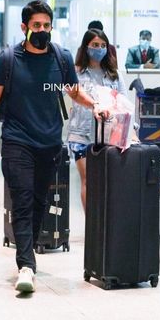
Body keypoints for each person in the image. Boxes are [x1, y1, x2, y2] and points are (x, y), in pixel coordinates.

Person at [0, 0, 109, 293]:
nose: (42, 31)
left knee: (38, 202)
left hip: (49, 144)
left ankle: (28, 252)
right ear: (24, 28)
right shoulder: (8, 59)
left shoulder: (60, 58)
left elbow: (74, 93)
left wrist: (96, 105)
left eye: (46, 25)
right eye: (36, 26)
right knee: (23, 201)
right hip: (17, 141)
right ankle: (26, 264)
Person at [67, 28, 128, 212]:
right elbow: (66, 91)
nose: (99, 49)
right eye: (95, 45)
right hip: (81, 135)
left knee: (106, 180)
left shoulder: (114, 74)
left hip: (109, 135)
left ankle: (105, 223)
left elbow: (124, 101)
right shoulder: (76, 73)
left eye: (103, 45)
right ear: (86, 47)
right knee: (88, 180)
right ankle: (92, 225)